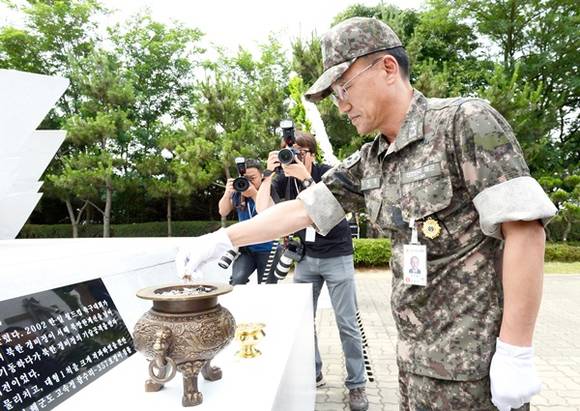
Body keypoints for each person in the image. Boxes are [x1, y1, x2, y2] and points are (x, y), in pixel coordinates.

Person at [176, 17, 557, 411]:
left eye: (344, 87)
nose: (341, 105)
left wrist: (516, 350)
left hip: (477, 368)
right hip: (416, 363)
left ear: (388, 67)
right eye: (335, 95)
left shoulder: (463, 123)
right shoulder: (371, 161)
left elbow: (525, 229)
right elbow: (302, 209)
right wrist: (224, 238)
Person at [255, 130, 368, 411]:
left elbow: (331, 209)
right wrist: (268, 176)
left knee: (347, 323)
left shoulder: (328, 172)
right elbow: (263, 211)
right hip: (305, 258)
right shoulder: (282, 179)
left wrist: (305, 177)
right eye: (288, 152)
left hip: (337, 255)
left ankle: (357, 384)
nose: (292, 158)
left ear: (311, 155)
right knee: (303, 321)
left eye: (299, 153)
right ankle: (314, 371)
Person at [217, 159, 278, 285]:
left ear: (261, 176)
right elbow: (223, 211)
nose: (249, 182)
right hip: (245, 248)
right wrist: (227, 193)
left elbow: (268, 213)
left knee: (267, 286)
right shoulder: (239, 191)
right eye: (246, 178)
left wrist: (254, 194)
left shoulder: (269, 189)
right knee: (237, 280)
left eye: (252, 178)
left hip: (268, 248)